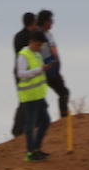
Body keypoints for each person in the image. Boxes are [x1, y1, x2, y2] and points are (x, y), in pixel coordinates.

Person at [15, 30, 53, 161]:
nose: (39, 48)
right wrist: (39, 70)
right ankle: (30, 153)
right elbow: (21, 74)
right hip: (29, 96)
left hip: (39, 95)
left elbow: (40, 71)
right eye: (38, 45)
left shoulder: (37, 54)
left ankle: (36, 149)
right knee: (30, 125)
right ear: (31, 42)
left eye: (41, 45)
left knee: (46, 121)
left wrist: (46, 68)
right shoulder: (23, 55)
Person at [36, 9, 70, 119]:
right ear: (45, 21)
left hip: (53, 69)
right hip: (44, 70)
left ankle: (63, 119)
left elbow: (53, 52)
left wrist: (57, 71)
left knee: (64, 92)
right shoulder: (38, 34)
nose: (52, 22)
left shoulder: (48, 34)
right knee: (39, 98)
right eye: (50, 20)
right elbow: (43, 54)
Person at [10, 11, 38, 139]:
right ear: (32, 22)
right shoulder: (30, 37)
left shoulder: (17, 36)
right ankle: (18, 129)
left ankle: (24, 127)